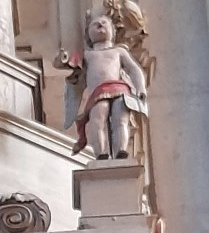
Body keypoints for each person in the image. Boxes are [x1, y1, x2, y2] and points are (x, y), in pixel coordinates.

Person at [60, 10, 148, 160]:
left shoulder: (119, 51)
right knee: (97, 120)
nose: (100, 24)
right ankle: (101, 153)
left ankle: (121, 150)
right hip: (98, 93)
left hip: (120, 89)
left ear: (113, 32)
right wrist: (62, 58)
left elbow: (134, 69)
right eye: (95, 24)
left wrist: (140, 88)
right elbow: (66, 63)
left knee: (120, 119)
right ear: (88, 34)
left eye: (104, 23)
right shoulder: (87, 54)